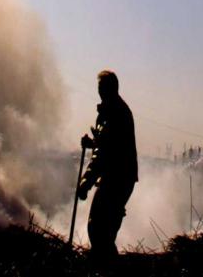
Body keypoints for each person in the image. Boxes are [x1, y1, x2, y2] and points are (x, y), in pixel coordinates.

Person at [77, 70, 138, 261]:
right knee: (102, 230)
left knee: (99, 228)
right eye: (99, 88)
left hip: (118, 177)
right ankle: (105, 264)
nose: (99, 91)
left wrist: (86, 182)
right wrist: (92, 144)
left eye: (102, 87)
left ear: (110, 89)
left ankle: (105, 266)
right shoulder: (108, 112)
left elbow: (106, 152)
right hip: (117, 176)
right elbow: (106, 145)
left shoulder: (116, 113)